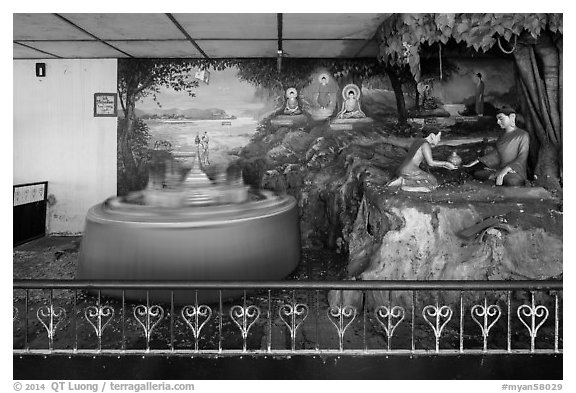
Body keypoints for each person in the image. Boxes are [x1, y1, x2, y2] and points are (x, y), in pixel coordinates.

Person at [463, 107, 529, 186]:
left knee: (513, 181)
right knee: (477, 173)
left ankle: (497, 177)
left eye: (501, 119)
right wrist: (478, 161)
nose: (498, 122)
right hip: (499, 169)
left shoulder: (522, 135)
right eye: (497, 119)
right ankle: (496, 176)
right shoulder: (502, 136)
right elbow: (496, 154)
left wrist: (505, 170)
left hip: (515, 171)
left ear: (512, 117)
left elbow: (522, 158)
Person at [387, 132, 458, 192]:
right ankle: (405, 183)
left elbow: (425, 163)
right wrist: (446, 163)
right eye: (438, 137)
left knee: (429, 178)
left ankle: (402, 180)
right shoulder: (425, 145)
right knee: (433, 184)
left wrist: (444, 166)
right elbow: (431, 163)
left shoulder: (418, 141)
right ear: (432, 136)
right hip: (410, 171)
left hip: (402, 170)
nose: (439, 139)